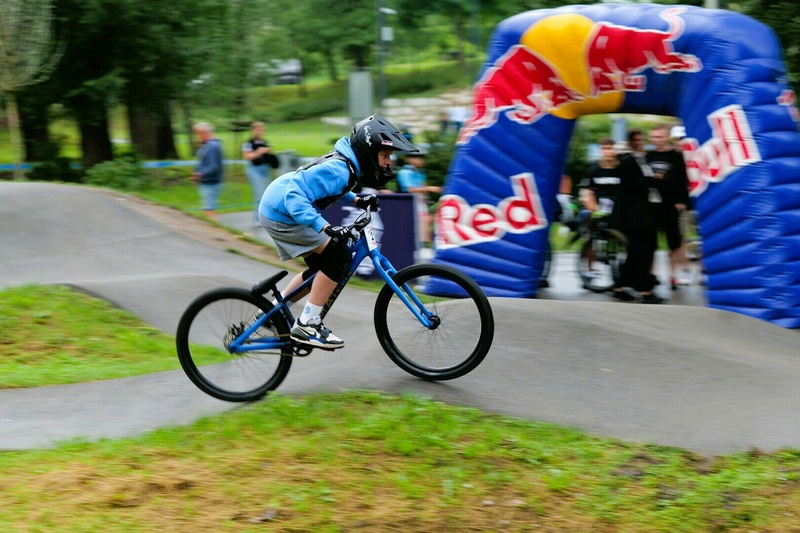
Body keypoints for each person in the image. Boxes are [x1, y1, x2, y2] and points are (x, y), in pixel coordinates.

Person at [258, 114, 419, 349]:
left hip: (278, 207)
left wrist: (357, 200)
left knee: (321, 268)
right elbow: (295, 195)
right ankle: (307, 324)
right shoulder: (340, 169)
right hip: (281, 214)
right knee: (339, 256)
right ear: (369, 151)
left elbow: (331, 187)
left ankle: (273, 313)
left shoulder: (348, 166)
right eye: (385, 155)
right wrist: (324, 226)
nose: (388, 162)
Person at [612, 128, 667, 304]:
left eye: (641, 140)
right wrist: (653, 180)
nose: (639, 143)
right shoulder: (628, 161)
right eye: (635, 140)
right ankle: (644, 290)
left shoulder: (642, 159)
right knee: (644, 250)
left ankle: (620, 287)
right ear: (630, 142)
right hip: (635, 215)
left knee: (637, 252)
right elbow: (629, 185)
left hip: (645, 212)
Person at [647, 123, 691, 290]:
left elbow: (683, 181)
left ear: (666, 137)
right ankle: (650, 274)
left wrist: (683, 202)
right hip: (651, 205)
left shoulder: (676, 156)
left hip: (671, 204)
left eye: (660, 137)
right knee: (650, 243)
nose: (657, 140)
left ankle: (673, 276)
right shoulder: (647, 156)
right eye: (654, 137)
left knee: (674, 243)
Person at [579, 138, 623, 277]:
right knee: (591, 237)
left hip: (618, 208)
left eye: (610, 148)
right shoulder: (594, 169)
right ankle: (589, 269)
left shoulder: (622, 169)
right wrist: (593, 208)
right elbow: (587, 191)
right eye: (605, 148)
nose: (608, 152)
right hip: (598, 207)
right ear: (600, 150)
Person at [397, 151, 441, 246]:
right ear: (408, 159)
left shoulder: (421, 172)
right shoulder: (404, 172)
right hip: (408, 203)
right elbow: (410, 189)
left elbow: (423, 187)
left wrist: (426, 194)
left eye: (421, 158)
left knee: (425, 223)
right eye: (417, 158)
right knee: (414, 226)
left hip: (421, 202)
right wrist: (429, 188)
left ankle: (422, 245)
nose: (420, 160)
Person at [241, 121, 278, 230]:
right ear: (253, 130)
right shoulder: (249, 143)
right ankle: (258, 219)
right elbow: (247, 156)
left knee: (267, 194)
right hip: (255, 169)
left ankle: (267, 217)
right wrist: (259, 152)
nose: (260, 132)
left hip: (265, 169)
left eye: (262, 130)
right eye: (258, 130)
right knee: (259, 195)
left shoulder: (265, 142)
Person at [190, 122, 224, 221]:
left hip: (210, 183)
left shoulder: (211, 146)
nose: (197, 137)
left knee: (209, 211)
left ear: (204, 133)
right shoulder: (209, 145)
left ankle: (214, 228)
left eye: (198, 134)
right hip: (209, 182)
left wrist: (200, 174)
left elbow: (213, 166)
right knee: (208, 209)